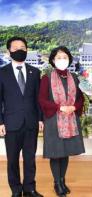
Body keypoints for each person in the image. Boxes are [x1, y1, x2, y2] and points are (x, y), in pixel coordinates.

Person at [38, 46, 85, 197]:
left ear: (69, 60)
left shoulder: (75, 77)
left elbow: (80, 98)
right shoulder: (46, 77)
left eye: (65, 57)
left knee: (65, 153)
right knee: (55, 153)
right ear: (53, 60)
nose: (62, 60)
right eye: (58, 57)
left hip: (70, 119)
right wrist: (59, 107)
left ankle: (63, 181)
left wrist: (73, 107)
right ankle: (57, 183)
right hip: (53, 120)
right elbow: (42, 100)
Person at [0, 37, 43, 197]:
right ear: (8, 51)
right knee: (12, 160)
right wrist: (0, 122)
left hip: (31, 122)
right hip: (11, 123)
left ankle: (29, 188)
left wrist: (40, 119)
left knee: (30, 158)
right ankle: (16, 190)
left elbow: (38, 98)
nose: (20, 50)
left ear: (27, 50)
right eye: (16, 47)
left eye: (23, 47)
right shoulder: (2, 72)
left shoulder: (35, 71)